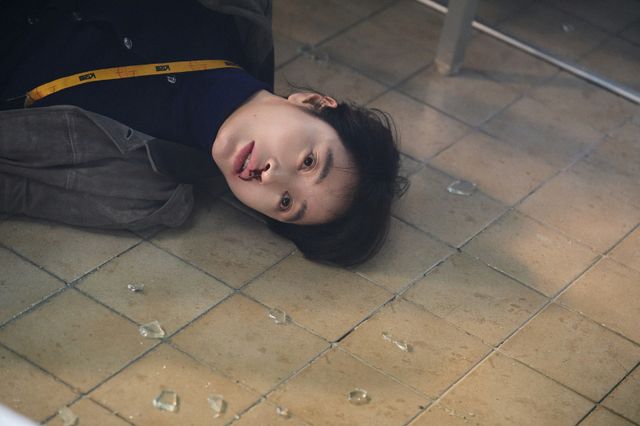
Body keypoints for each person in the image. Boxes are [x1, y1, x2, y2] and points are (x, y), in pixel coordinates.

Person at [0, 0, 407, 266]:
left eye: (285, 203)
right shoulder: (233, 12)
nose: (270, 177)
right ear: (313, 102)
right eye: (309, 162)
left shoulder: (139, 195)